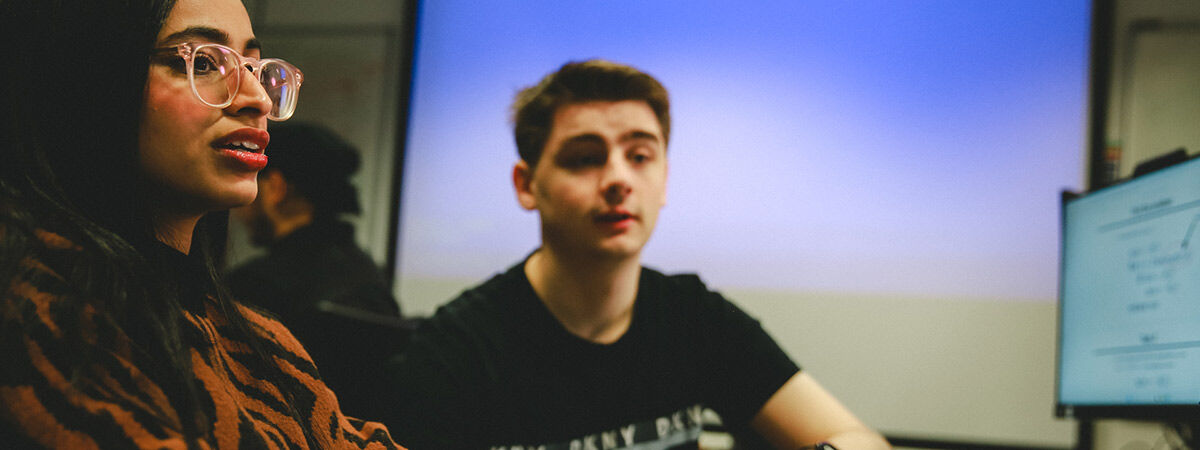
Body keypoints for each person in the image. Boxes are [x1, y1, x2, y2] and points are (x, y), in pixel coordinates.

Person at [384, 60, 890, 449]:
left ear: (664, 179)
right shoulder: (456, 355)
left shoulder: (694, 317)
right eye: (585, 158)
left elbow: (858, 438)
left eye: (640, 156)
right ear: (527, 184)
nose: (619, 180)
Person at [0, 0, 403, 448]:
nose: (258, 99)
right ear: (90, 79)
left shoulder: (259, 340)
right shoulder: (40, 315)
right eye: (205, 62)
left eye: (254, 68)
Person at [228, 122, 408, 419]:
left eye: (250, 177)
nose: (240, 208)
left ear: (276, 188)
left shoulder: (252, 289)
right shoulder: (372, 279)